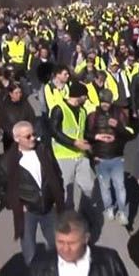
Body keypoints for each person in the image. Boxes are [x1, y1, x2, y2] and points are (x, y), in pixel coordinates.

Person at [3, 121, 64, 265]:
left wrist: (57, 196)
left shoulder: (43, 151)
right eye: (28, 136)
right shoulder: (8, 161)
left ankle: (57, 275)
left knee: (58, 246)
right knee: (29, 251)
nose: (33, 138)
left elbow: (57, 174)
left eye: (34, 134)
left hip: (49, 208)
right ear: (17, 139)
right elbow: (1, 189)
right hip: (27, 212)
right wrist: (16, 205)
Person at [86, 89, 134, 225]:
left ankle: (123, 212)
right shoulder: (93, 116)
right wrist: (94, 150)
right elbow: (87, 136)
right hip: (100, 158)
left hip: (117, 157)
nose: (104, 104)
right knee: (105, 187)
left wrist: (118, 126)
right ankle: (109, 208)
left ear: (111, 101)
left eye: (107, 101)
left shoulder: (120, 114)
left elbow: (129, 135)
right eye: (102, 101)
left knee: (120, 187)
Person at [49, 81, 94, 211]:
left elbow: (83, 132)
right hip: (64, 156)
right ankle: (66, 216)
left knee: (88, 186)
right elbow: (54, 131)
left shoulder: (82, 111)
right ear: (79, 96)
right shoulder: (59, 109)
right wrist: (74, 142)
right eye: (85, 97)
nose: (87, 100)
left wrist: (96, 138)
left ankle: (85, 213)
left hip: (80, 155)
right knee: (66, 189)